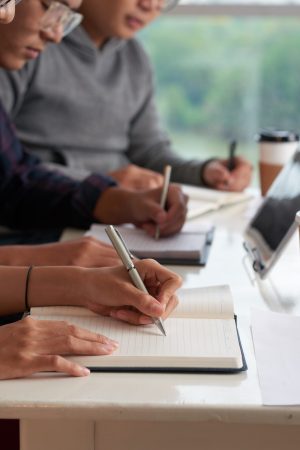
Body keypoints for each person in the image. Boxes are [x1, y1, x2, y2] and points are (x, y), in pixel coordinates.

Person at [0, 0, 182, 380]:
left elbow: (13, 177)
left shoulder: (133, 58)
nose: (56, 33)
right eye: (50, 6)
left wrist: (81, 279)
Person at [0, 0, 253, 192]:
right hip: (45, 215)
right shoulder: (21, 44)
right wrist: (99, 183)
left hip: (104, 208)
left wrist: (204, 172)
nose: (150, 5)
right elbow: (10, 168)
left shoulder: (135, 59)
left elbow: (150, 152)